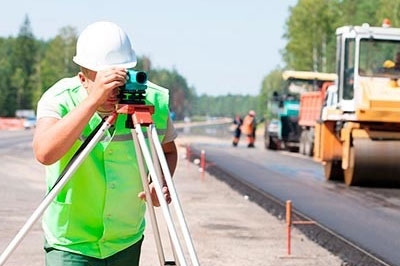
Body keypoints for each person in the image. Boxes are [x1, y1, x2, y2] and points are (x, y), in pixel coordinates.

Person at [33, 21, 178, 266]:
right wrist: (93, 101)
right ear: (83, 78)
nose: (113, 91)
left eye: (118, 79)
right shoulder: (59, 99)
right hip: (71, 241)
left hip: (125, 237)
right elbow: (45, 153)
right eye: (104, 81)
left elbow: (168, 151)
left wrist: (160, 182)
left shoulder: (151, 101)